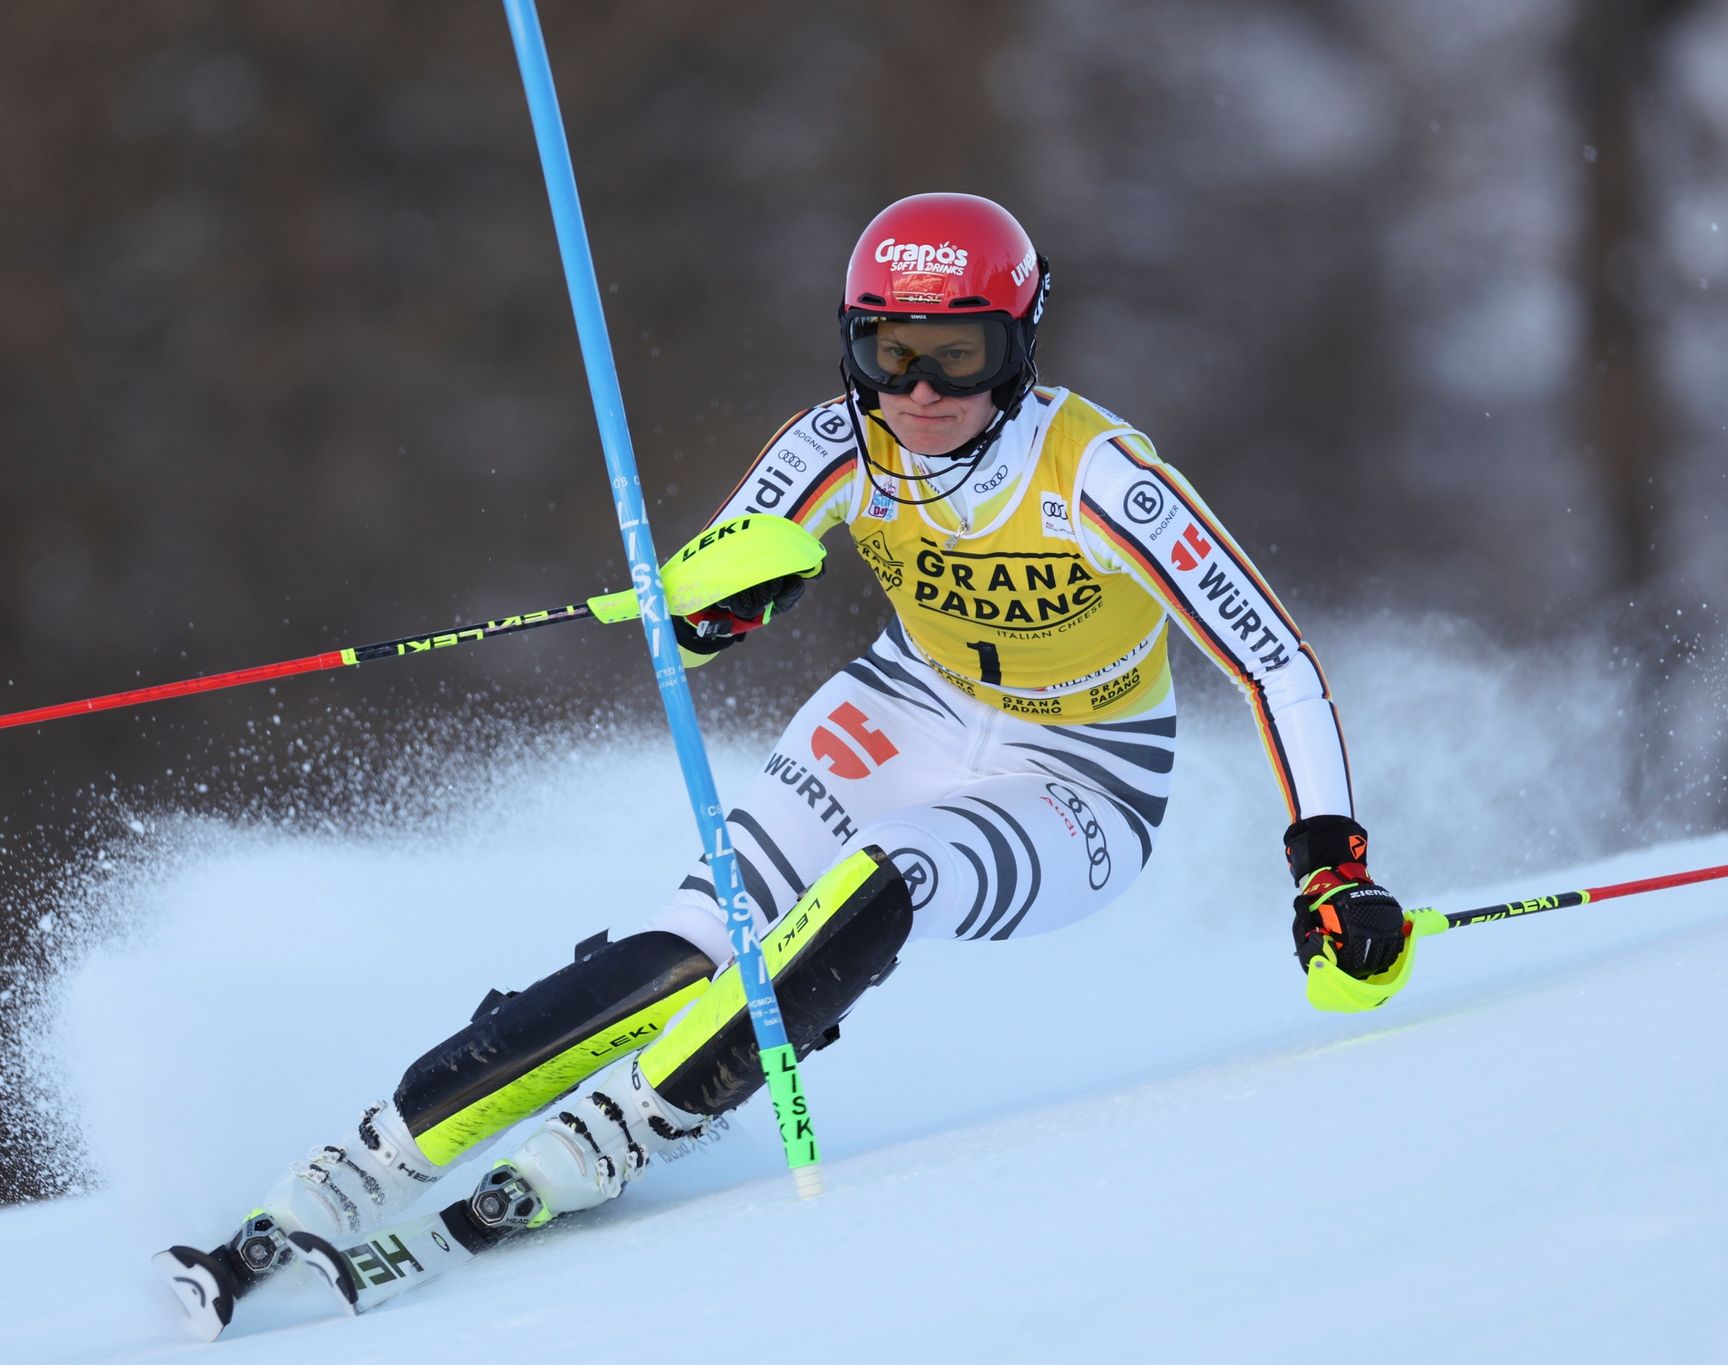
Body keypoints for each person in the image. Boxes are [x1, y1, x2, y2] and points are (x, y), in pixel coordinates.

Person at [176, 192, 1411, 1306]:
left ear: (1021, 346)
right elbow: (701, 618)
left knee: (884, 885)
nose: (919, 391)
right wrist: (712, 606)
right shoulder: (834, 445)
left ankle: (633, 1126)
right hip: (904, 708)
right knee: (693, 939)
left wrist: (1329, 868)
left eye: (958, 354)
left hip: (1079, 775)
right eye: (889, 352)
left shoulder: (1096, 476)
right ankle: (375, 1153)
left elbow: (1273, 664)